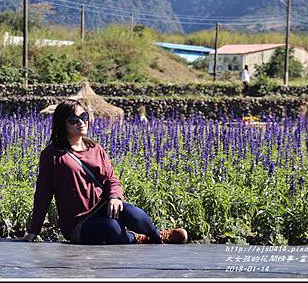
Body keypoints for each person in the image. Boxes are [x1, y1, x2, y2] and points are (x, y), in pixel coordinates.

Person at [22, 99, 188, 245]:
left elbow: (111, 179)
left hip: (102, 207)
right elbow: (43, 193)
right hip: (77, 224)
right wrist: (33, 230)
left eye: (84, 117)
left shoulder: (96, 149)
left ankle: (157, 237)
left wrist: (115, 197)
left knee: (134, 213)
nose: (81, 122)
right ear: (62, 123)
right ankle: (138, 238)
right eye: (73, 120)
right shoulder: (52, 155)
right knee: (112, 229)